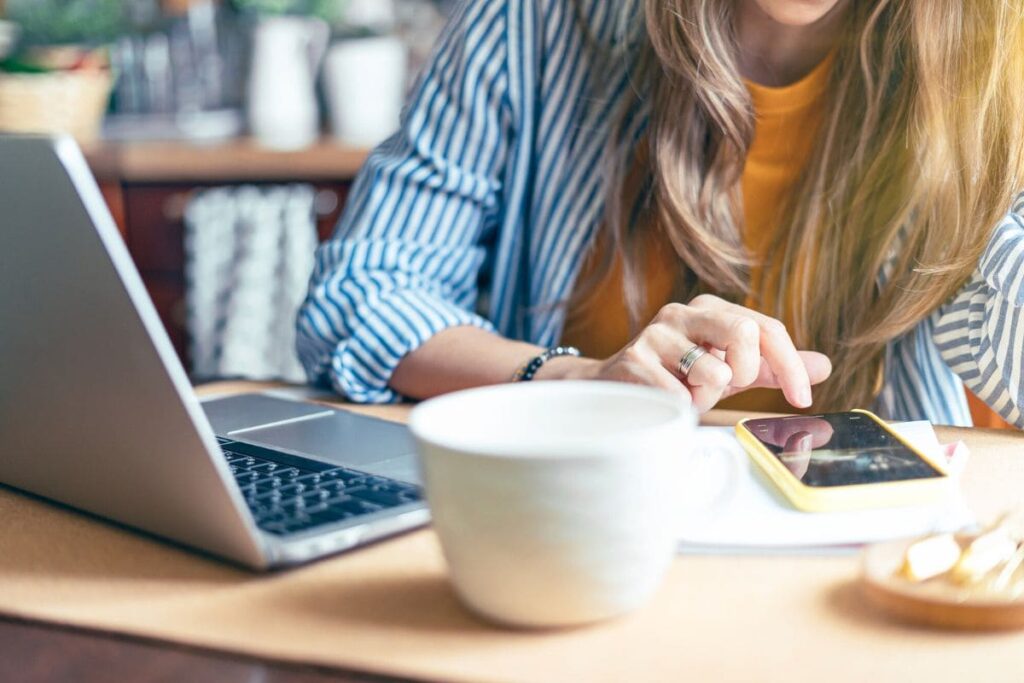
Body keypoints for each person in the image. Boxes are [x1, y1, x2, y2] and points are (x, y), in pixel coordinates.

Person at [296, 0, 1024, 428]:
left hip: (860, 574)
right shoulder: (536, 23)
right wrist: (580, 384)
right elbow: (360, 295)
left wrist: (975, 108)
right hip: (584, 530)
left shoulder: (995, 60)